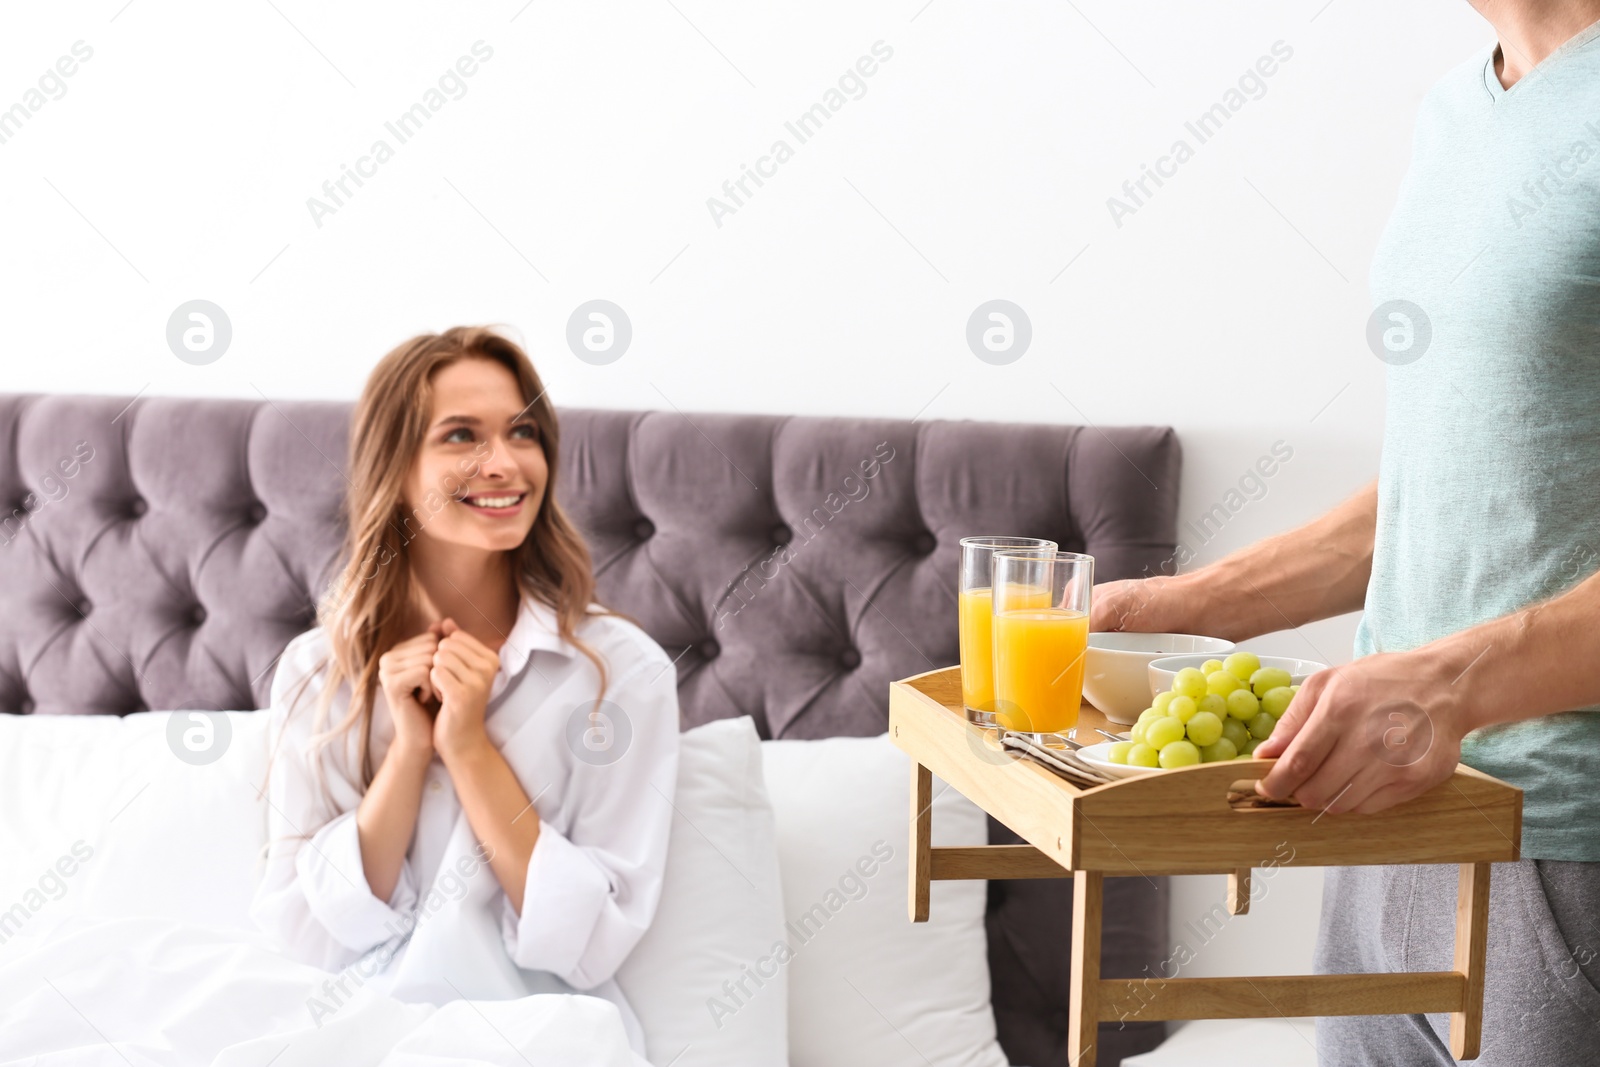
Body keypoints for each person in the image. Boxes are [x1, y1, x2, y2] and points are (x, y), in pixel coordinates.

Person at [1093, 3, 1600, 1062]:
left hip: (1562, 851)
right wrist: (1186, 608)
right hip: (1384, 825)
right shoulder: (1455, 114)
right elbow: (1457, 473)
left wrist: (1449, 685)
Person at [250, 326, 679, 1054]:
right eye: (460, 436)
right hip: (345, 1027)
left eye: (523, 433)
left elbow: (594, 939)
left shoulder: (619, 673)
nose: (505, 463)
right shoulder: (316, 672)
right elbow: (305, 932)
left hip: (538, 1030)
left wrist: (470, 746)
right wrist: (409, 753)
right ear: (395, 464)